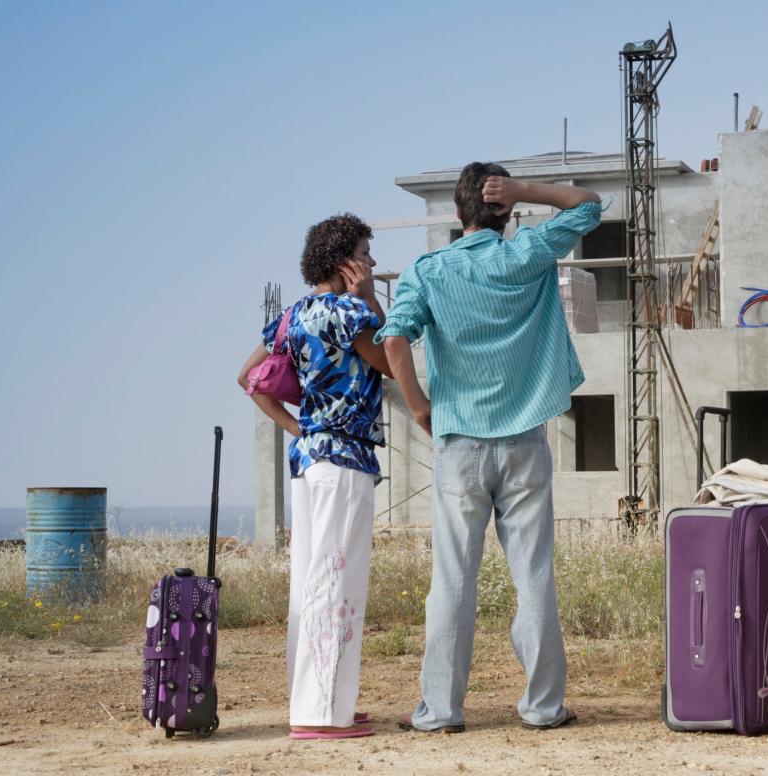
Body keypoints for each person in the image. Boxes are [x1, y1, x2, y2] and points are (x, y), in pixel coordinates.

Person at [375, 162, 601, 732]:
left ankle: (442, 711)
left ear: (457, 213)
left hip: (460, 445)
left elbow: (396, 336)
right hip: (525, 440)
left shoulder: (430, 271)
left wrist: (420, 407)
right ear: (506, 212)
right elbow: (589, 204)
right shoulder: (528, 252)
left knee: (452, 579)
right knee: (534, 576)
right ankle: (544, 707)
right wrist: (526, 191)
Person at [237, 213, 392, 740]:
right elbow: (392, 361)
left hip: (309, 463)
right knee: (338, 583)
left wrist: (298, 429)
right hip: (345, 462)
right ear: (345, 260)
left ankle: (318, 701)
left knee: (311, 585)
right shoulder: (352, 313)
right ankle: (322, 715)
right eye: (366, 253)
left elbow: (248, 379)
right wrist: (372, 298)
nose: (371, 262)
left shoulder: (292, 316)